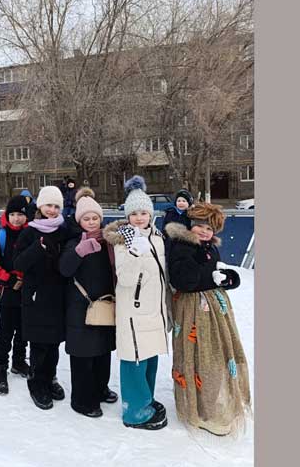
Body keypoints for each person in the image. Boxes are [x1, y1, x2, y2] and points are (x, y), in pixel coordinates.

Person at [165, 202, 250, 436]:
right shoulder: (181, 246)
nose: (204, 232)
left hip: (215, 310)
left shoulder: (210, 247)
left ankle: (211, 402)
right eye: (200, 226)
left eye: (209, 229)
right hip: (193, 310)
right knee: (200, 358)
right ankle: (199, 408)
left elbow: (217, 272)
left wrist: (230, 278)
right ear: (191, 225)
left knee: (217, 357)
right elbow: (183, 281)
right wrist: (198, 260)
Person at [103, 176, 170, 430]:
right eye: (134, 213)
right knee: (134, 360)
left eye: (144, 212)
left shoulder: (157, 236)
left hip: (155, 309)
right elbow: (127, 279)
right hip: (134, 310)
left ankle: (147, 399)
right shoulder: (124, 239)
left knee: (150, 357)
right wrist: (134, 251)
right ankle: (135, 412)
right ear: (127, 216)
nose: (139, 218)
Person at [59, 188, 118, 418]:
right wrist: (78, 251)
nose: (91, 222)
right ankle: (82, 400)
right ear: (79, 220)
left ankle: (100, 388)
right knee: (83, 354)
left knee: (103, 351)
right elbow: (64, 269)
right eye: (87, 218)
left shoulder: (108, 240)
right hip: (80, 307)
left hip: (105, 303)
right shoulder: (73, 239)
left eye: (95, 218)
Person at [13, 185, 70, 410]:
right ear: (40, 206)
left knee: (54, 344)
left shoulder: (63, 231)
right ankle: (37, 382)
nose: (52, 210)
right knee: (39, 346)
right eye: (49, 205)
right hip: (36, 297)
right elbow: (18, 263)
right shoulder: (30, 232)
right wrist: (38, 248)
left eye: (57, 206)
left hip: (57, 296)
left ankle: (51, 377)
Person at [0, 195, 31, 395]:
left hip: (27, 293)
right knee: (5, 333)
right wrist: (10, 280)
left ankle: (19, 362)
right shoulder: (0, 237)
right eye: (13, 214)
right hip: (8, 294)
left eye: (20, 214)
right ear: (7, 215)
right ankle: (0, 367)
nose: (17, 218)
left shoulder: (31, 234)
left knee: (23, 332)